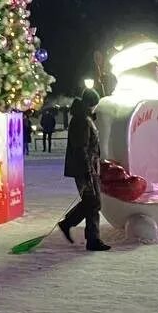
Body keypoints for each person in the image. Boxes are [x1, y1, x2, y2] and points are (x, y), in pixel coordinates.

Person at [57, 89, 110, 251]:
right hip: (84, 169)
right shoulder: (81, 120)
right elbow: (81, 148)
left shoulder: (84, 118)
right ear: (89, 103)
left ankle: (86, 235)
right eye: (94, 104)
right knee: (93, 202)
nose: (95, 107)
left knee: (92, 202)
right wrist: (87, 170)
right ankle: (86, 236)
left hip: (88, 167)